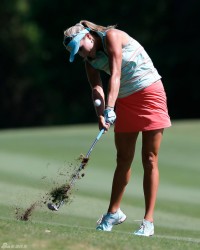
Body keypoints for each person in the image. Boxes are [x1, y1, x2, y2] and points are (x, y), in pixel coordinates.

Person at [63, 20, 171, 236]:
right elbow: (96, 87)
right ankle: (113, 213)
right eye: (79, 53)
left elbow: (116, 73)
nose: (84, 55)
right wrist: (101, 113)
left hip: (149, 93)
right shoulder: (89, 62)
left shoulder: (111, 36)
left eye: (82, 49)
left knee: (149, 158)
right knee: (123, 158)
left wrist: (111, 107)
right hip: (124, 100)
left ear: (88, 37)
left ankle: (148, 222)